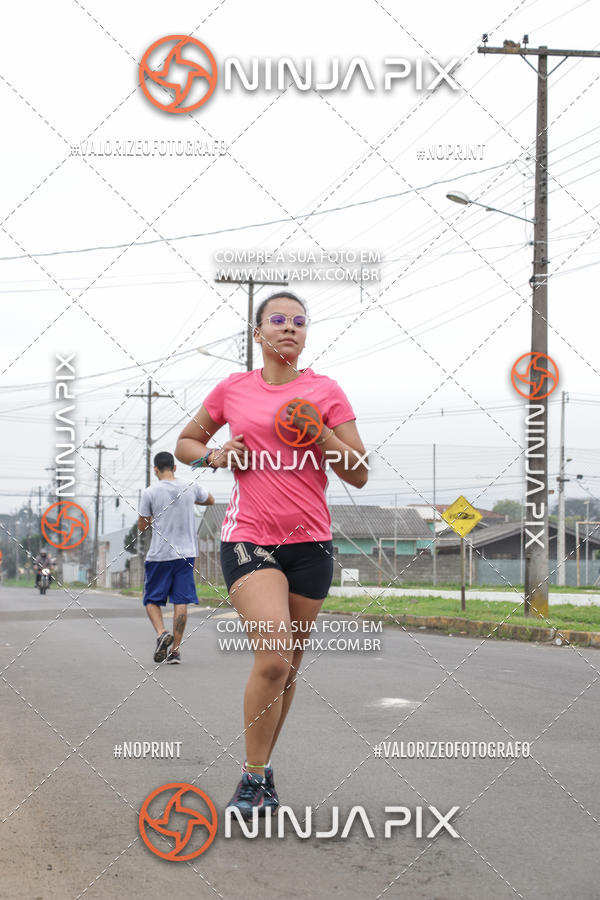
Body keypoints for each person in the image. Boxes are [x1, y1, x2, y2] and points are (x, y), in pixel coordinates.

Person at [175, 290, 368, 818]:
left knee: (288, 668)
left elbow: (358, 472)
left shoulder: (326, 391)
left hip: (312, 545)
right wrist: (216, 455)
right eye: (278, 320)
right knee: (275, 658)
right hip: (249, 538)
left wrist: (322, 434)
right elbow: (186, 444)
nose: (289, 328)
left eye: (299, 321)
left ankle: (260, 776)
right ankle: (253, 778)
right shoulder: (233, 389)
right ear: (257, 333)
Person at [138, 451, 214, 664]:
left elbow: (143, 525)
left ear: (155, 470)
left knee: (151, 600)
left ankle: (162, 633)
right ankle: (176, 651)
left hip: (159, 555)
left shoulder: (149, 492)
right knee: (181, 600)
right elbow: (210, 500)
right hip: (186, 554)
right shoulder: (190, 486)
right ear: (175, 467)